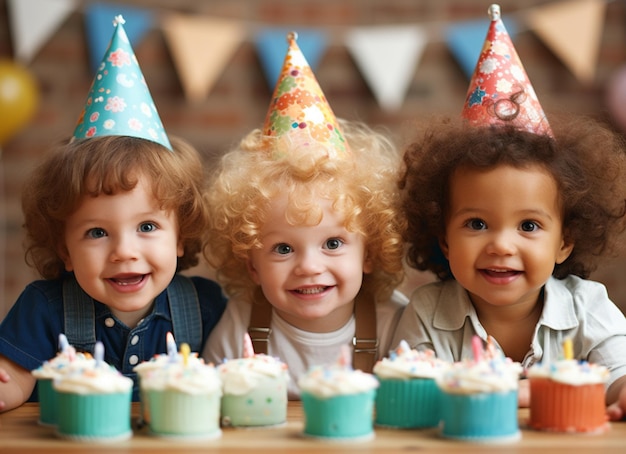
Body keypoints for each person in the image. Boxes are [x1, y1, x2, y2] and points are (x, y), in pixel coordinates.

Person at [392, 3, 626, 421]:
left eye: (529, 225)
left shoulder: (588, 307)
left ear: (565, 241)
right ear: (444, 237)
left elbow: (619, 375)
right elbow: (416, 393)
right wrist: (532, 392)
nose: (502, 244)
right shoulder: (426, 312)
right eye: (477, 223)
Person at [0, 17, 226, 412]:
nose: (124, 251)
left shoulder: (206, 307)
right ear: (64, 248)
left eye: (148, 226)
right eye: (97, 233)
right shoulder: (45, 308)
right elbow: (13, 380)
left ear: (180, 236)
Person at [201, 33, 407, 399]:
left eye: (332, 243)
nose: (309, 266)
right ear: (251, 265)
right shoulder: (240, 324)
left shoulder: (395, 322)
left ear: (370, 253)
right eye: (282, 249)